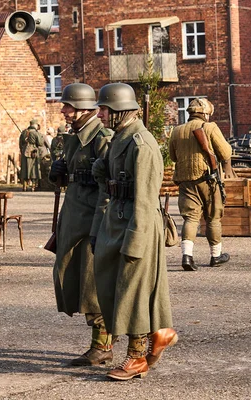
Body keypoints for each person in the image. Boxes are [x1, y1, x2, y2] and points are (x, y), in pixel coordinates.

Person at [92, 82, 176, 381]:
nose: (99, 114)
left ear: (118, 111)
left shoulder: (142, 143)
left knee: (133, 292)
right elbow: (109, 184)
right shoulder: (119, 139)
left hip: (136, 223)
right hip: (116, 218)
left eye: (103, 109)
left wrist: (136, 240)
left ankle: (137, 357)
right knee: (114, 286)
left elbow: (146, 197)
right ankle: (161, 334)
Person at [48, 83, 114, 366]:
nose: (63, 111)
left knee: (92, 282)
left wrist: (102, 222)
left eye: (68, 106)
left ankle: (102, 345)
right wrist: (58, 174)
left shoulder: (102, 137)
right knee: (71, 276)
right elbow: (69, 179)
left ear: (85, 109)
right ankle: (100, 342)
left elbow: (109, 182)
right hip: (73, 218)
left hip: (91, 220)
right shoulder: (74, 138)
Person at [169, 98, 232, 271]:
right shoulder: (209, 127)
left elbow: (173, 157)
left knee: (190, 218)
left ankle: (187, 256)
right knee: (213, 217)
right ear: (205, 113)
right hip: (209, 180)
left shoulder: (177, 130)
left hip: (186, 181)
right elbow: (226, 152)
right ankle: (215, 255)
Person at [19, 119, 44, 191]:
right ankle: (33, 186)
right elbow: (40, 143)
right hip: (33, 153)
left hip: (25, 152)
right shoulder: (36, 133)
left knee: (25, 169)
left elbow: (20, 144)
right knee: (34, 169)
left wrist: (22, 150)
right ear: (35, 125)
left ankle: (24, 186)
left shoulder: (24, 132)